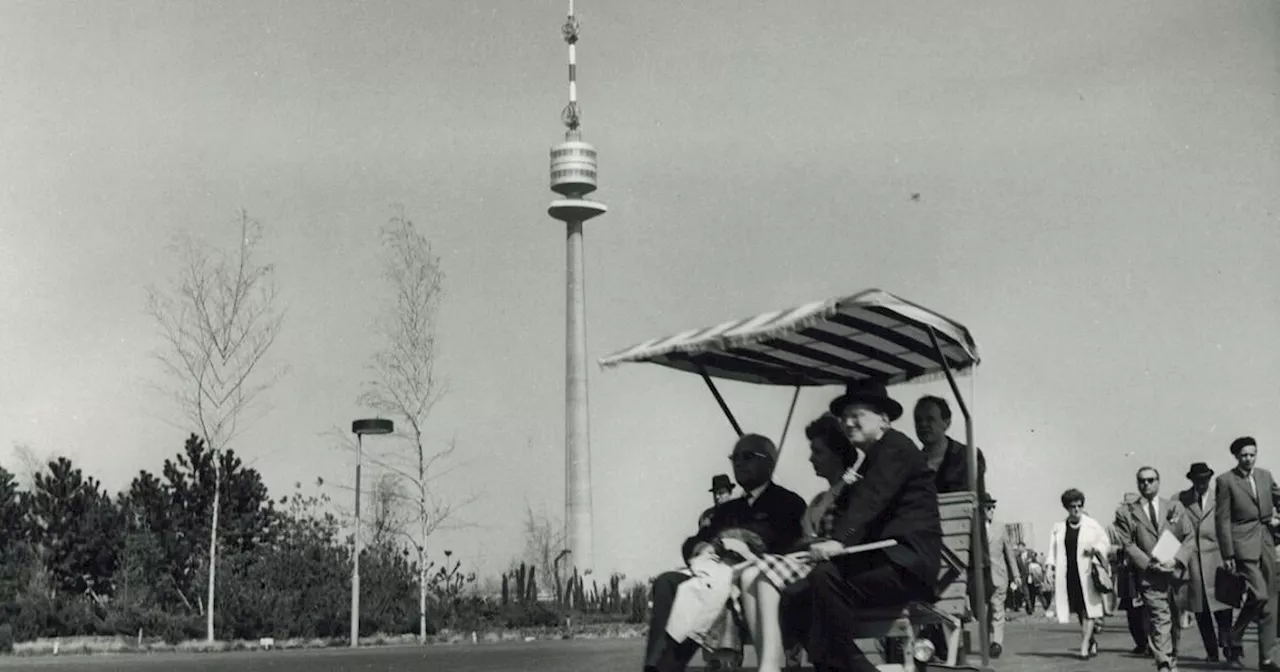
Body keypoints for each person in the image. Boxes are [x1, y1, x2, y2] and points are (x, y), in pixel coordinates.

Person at [805, 382, 942, 672]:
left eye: (858, 415)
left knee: (824, 578)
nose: (848, 422)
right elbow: (850, 507)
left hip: (907, 566)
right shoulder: (871, 459)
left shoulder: (895, 448)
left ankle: (846, 666)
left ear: (884, 419)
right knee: (796, 594)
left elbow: (871, 500)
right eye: (844, 417)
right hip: (883, 563)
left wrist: (839, 541)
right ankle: (839, 664)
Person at [642, 434, 807, 672]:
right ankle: (657, 667)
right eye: (735, 457)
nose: (738, 463)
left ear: (769, 463)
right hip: (716, 573)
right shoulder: (726, 509)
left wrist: (743, 543)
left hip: (757, 578)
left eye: (747, 457)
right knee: (667, 582)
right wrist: (703, 547)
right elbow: (694, 542)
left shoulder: (789, 503)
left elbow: (787, 543)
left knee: (707, 595)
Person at [731, 413, 865, 672]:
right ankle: (767, 662)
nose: (811, 458)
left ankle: (769, 665)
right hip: (811, 562)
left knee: (765, 575)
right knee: (749, 576)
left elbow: (850, 534)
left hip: (836, 568)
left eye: (818, 451)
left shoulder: (853, 492)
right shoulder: (819, 500)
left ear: (837, 454)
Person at [1115, 467, 1192, 672]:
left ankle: (1172, 657)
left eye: (1151, 480)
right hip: (1149, 575)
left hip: (1176, 574)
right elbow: (1128, 544)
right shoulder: (1127, 512)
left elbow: (1189, 537)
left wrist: (1176, 561)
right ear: (1137, 483)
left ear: (1158, 482)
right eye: (1142, 481)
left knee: (1175, 620)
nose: (1146, 484)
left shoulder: (1175, 507)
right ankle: (1163, 662)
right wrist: (1149, 564)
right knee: (1159, 618)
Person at [1215, 436, 1280, 670]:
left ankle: (1267, 658)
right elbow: (1222, 519)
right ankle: (1234, 635)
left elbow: (1278, 499)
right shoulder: (1225, 481)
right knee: (1260, 595)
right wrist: (1228, 553)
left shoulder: (1265, 475)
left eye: (1252, 454)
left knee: (1270, 602)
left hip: (1267, 542)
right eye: (1244, 455)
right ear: (1236, 456)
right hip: (1242, 544)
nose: (1249, 459)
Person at [1176, 462, 1233, 663]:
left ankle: (1227, 646)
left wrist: (1231, 556)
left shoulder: (1220, 498)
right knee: (1201, 609)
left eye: (1205, 479)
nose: (1202, 483)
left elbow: (1230, 527)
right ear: (1191, 480)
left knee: (1224, 605)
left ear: (1210, 478)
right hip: (1194, 561)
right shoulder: (1181, 500)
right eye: (1197, 480)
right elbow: (1172, 531)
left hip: (1218, 559)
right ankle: (1211, 653)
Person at [1046, 488, 1112, 660]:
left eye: (1079, 506)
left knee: (1089, 609)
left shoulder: (1091, 524)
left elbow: (1105, 542)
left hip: (1088, 573)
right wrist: (1049, 567)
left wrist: (1095, 549)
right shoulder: (1059, 527)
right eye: (1072, 506)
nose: (1076, 509)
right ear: (1067, 508)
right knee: (1079, 610)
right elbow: (1052, 550)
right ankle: (1091, 641)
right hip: (1069, 574)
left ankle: (1084, 646)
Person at [1113, 492, 1152, 656]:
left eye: (1132, 505)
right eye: (1126, 505)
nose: (1129, 508)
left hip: (1143, 571)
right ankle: (1140, 643)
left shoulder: (1146, 522)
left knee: (1147, 610)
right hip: (1127, 573)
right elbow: (1112, 547)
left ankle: (1150, 643)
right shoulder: (1116, 526)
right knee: (1132, 610)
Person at [983, 494, 1021, 658]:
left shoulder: (1000, 528)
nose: (992, 511)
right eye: (988, 507)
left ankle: (997, 643)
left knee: (998, 610)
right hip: (980, 579)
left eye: (993, 507)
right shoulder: (973, 528)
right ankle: (985, 643)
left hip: (999, 576)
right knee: (984, 612)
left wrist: (1016, 575)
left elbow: (1010, 554)